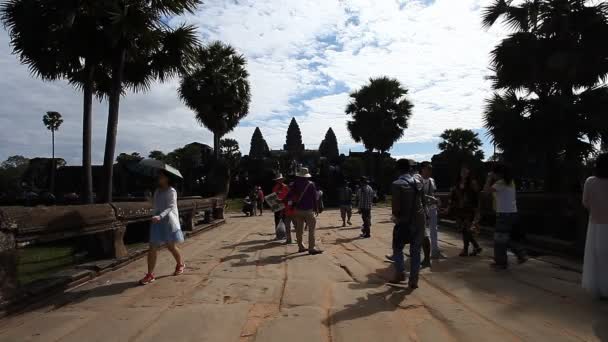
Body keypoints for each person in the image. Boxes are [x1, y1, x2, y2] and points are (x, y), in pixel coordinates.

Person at [140, 170, 185, 285]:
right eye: (158, 175)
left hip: (168, 221)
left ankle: (180, 264)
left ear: (167, 178)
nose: (158, 177)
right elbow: (156, 205)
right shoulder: (158, 191)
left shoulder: (171, 191)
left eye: (161, 176)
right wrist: (149, 198)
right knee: (152, 247)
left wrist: (160, 216)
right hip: (157, 221)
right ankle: (150, 274)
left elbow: (171, 206)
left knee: (171, 246)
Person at [483, 162, 528, 269]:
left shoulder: (500, 183)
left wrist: (488, 179)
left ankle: (502, 262)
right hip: (512, 213)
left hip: (504, 215)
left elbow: (485, 192)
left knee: (499, 240)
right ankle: (520, 254)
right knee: (505, 238)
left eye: (493, 173)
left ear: (498, 173)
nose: (492, 174)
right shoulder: (510, 182)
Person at [389, 159, 426, 288]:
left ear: (398, 169)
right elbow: (422, 201)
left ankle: (400, 273)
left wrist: (396, 219)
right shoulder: (418, 182)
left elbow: (396, 208)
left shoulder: (397, 184)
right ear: (410, 169)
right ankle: (414, 280)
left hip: (405, 221)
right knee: (415, 251)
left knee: (397, 248)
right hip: (420, 219)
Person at [582, 153, 608, 299]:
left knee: (596, 258)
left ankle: (599, 289)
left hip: (595, 225)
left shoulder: (590, 181)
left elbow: (585, 202)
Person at [449, 165, 483, 257]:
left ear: (468, 173)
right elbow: (453, 197)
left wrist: (477, 210)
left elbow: (477, 197)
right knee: (464, 230)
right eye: (462, 172)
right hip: (460, 210)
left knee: (466, 229)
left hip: (470, 210)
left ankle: (466, 249)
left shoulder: (472, 183)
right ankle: (476, 247)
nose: (464, 173)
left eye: (465, 171)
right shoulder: (457, 183)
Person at [288, 168, 322, 255]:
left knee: (299, 229)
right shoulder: (311, 184)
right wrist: (316, 208)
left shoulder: (295, 184)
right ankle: (311, 248)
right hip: (308, 210)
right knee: (311, 229)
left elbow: (290, 195)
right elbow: (314, 198)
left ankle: (301, 246)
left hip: (298, 210)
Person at [420, 162, 445, 264]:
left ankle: (435, 250)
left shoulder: (432, 180)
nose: (430, 170)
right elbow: (420, 195)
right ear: (422, 169)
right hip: (422, 207)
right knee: (420, 230)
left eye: (431, 169)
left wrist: (436, 201)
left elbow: (432, 193)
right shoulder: (418, 180)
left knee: (433, 229)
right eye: (428, 168)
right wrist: (432, 198)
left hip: (432, 207)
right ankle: (417, 250)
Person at [272, 174, 289, 240]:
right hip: (277, 206)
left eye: (280, 180)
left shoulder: (286, 187)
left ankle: (285, 234)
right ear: (276, 181)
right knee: (277, 220)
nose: (279, 181)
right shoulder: (274, 188)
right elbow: (273, 198)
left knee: (285, 220)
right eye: (278, 180)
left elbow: (288, 196)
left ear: (282, 180)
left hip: (285, 206)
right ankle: (278, 235)